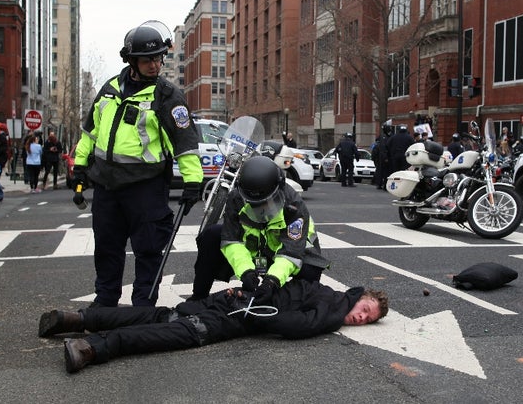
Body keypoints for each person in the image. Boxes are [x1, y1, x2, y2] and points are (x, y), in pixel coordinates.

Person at [74, 20, 203, 308]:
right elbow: (90, 133)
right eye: (147, 60)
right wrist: (80, 166)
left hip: (145, 187)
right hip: (107, 186)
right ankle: (105, 300)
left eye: (158, 58)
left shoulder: (167, 96)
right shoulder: (109, 90)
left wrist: (193, 181)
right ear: (131, 60)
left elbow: (185, 141)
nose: (155, 65)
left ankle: (143, 304)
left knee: (148, 249)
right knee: (107, 247)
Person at [37, 279, 389, 373]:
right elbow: (300, 325)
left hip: (232, 296)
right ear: (359, 296)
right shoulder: (333, 308)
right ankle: (92, 347)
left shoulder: (321, 288)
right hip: (239, 312)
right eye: (365, 309)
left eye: (368, 318)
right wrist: (253, 314)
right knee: (177, 332)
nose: (361, 318)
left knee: (165, 315)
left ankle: (76, 319)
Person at [191, 156, 328, 301]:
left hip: (289, 254)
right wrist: (246, 271)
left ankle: (291, 300)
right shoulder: (236, 197)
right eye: (254, 204)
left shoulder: (294, 205)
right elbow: (231, 240)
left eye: (265, 203)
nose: (260, 211)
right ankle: (198, 296)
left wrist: (272, 281)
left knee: (312, 268)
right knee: (211, 236)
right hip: (254, 253)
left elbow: (292, 251)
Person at [372, 123, 393, 190]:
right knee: (385, 171)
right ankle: (382, 184)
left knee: (381, 171)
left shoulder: (383, 137)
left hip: (382, 156)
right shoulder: (387, 137)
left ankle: (381, 184)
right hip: (385, 156)